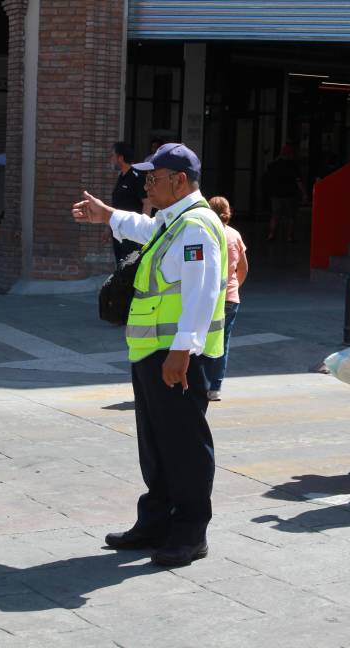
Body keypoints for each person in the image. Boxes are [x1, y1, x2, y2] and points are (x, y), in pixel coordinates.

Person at [72, 143, 227, 567]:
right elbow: (144, 230)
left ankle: (190, 533)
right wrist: (109, 216)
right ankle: (155, 522)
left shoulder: (196, 227)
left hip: (174, 357)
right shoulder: (172, 221)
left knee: (185, 448)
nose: (146, 183)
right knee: (156, 444)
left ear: (178, 181)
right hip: (151, 352)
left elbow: (202, 293)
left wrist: (180, 353)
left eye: (153, 177)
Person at [206, 196, 247, 402]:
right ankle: (215, 387)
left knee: (204, 341)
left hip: (210, 297)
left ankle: (202, 383)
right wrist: (234, 287)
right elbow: (244, 268)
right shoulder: (235, 235)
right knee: (223, 342)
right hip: (231, 297)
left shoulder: (206, 233)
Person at [109, 142, 150, 266]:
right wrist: (108, 227)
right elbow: (117, 204)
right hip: (118, 229)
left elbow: (147, 203)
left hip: (132, 232)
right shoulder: (122, 176)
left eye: (113, 156)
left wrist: (144, 228)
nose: (111, 159)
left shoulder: (136, 176)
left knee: (129, 266)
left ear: (120, 158)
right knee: (120, 266)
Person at [265, 144, 307, 242]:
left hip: (276, 194)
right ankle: (289, 237)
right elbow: (299, 181)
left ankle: (271, 234)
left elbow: (268, 179)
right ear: (291, 154)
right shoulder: (293, 166)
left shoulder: (273, 164)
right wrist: (304, 193)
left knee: (275, 215)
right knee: (290, 216)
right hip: (290, 195)